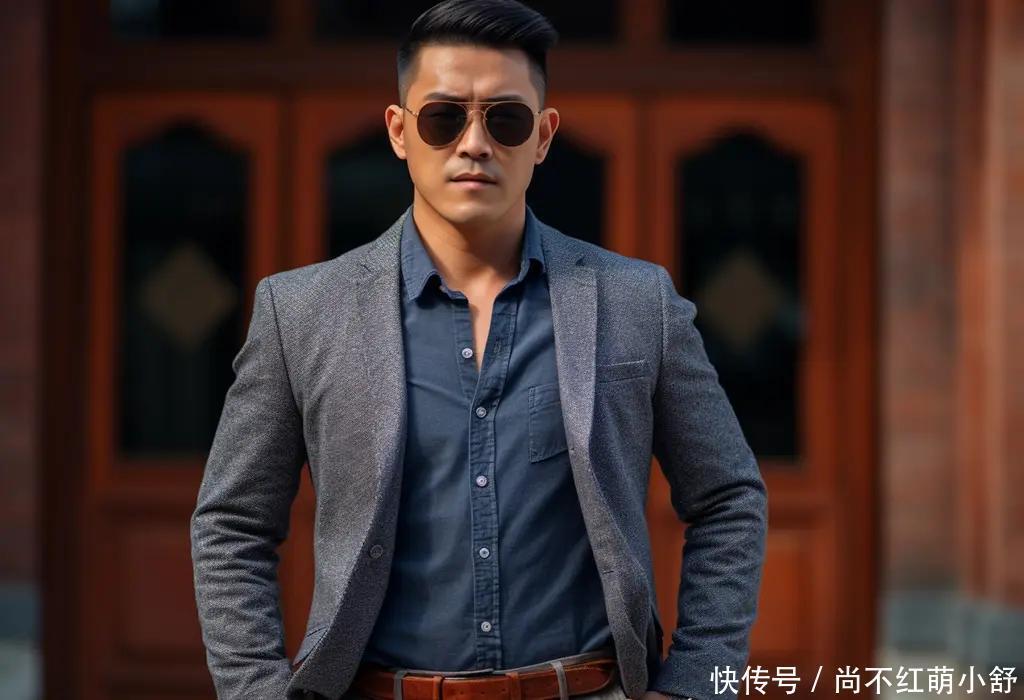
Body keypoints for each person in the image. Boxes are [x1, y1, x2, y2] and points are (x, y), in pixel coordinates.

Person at [189, 1, 768, 699]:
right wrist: (255, 689)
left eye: (505, 119)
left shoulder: (635, 302)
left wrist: (697, 683)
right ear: (398, 131)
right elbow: (233, 524)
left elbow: (729, 498)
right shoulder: (303, 312)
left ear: (543, 136)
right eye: (443, 118)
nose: (474, 143)